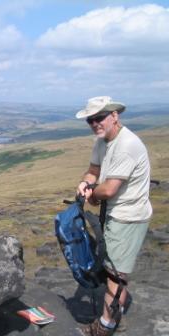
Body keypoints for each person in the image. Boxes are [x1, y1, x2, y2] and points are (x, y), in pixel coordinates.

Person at [75, 96, 152, 336]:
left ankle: (106, 326)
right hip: (113, 214)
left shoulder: (127, 144)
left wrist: (93, 195)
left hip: (128, 217)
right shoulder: (102, 141)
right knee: (110, 267)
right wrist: (85, 183)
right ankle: (113, 318)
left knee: (115, 275)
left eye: (100, 117)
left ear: (115, 116)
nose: (95, 123)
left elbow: (108, 190)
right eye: (91, 119)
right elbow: (94, 171)